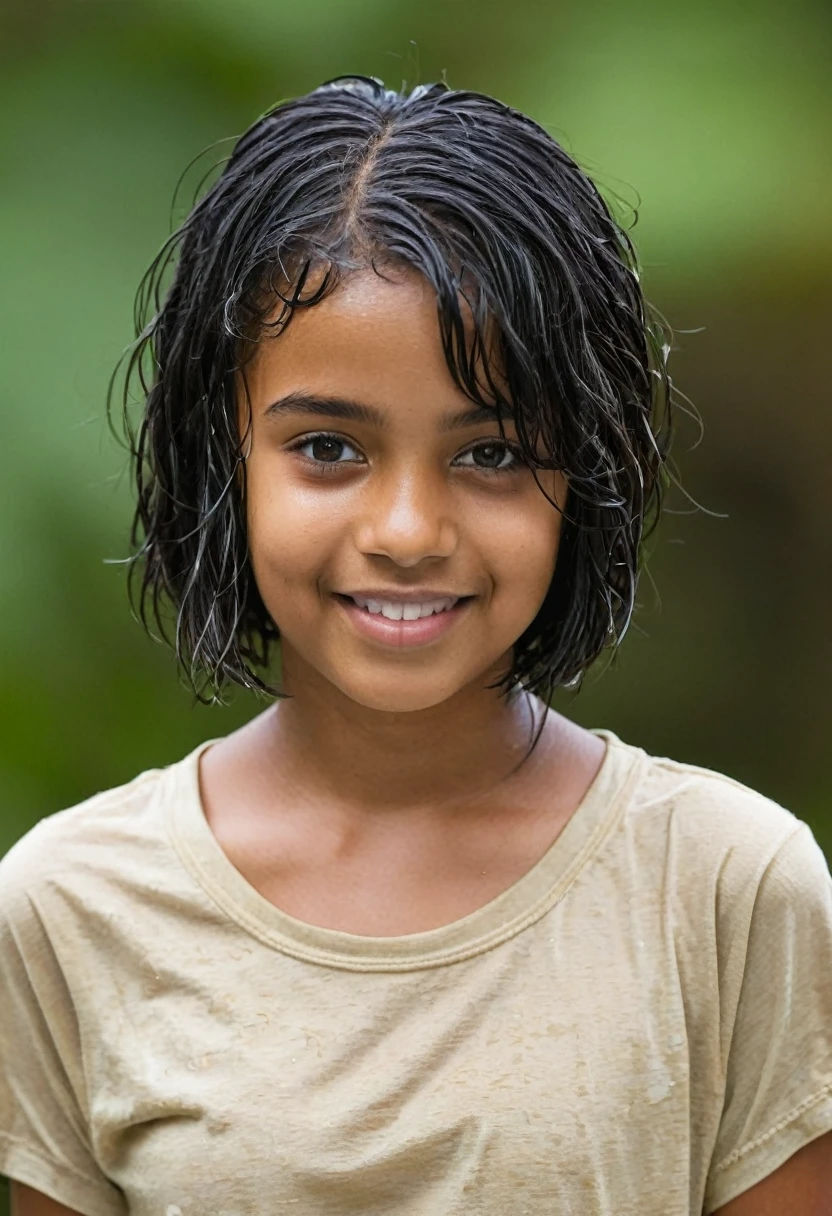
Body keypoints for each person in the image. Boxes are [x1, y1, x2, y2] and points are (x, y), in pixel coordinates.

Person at [1, 76, 830, 1216]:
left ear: (584, 477)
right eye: (329, 447)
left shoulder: (731, 888)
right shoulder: (69, 907)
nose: (405, 530)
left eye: (490, 453)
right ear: (219, 457)